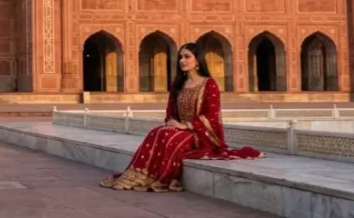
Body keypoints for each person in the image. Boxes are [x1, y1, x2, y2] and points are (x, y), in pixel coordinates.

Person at [99, 42, 263, 192]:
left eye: (187, 57)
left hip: (200, 134)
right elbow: (170, 111)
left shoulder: (209, 84)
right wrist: (171, 121)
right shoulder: (178, 84)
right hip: (181, 130)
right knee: (157, 132)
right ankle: (138, 175)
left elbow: (212, 115)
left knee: (167, 136)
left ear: (197, 60)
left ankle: (156, 177)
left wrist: (187, 125)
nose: (182, 61)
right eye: (180, 57)